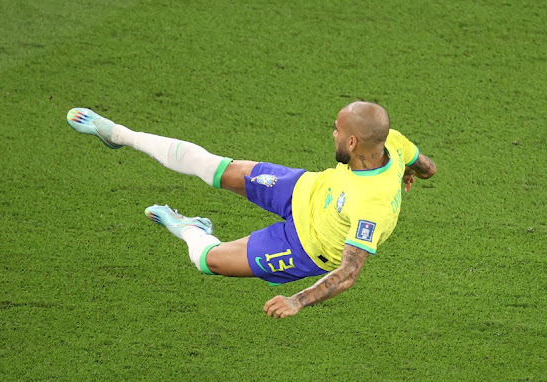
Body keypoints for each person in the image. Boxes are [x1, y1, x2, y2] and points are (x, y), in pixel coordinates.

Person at [67, 102, 436, 319]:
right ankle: (117, 134)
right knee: (215, 168)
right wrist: (404, 170)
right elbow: (428, 167)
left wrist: (298, 300)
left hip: (304, 246)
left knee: (208, 261)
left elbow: (349, 272)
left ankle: (189, 227)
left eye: (337, 131)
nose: (333, 135)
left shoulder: (370, 207)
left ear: (353, 141)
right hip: (305, 189)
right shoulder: (392, 142)